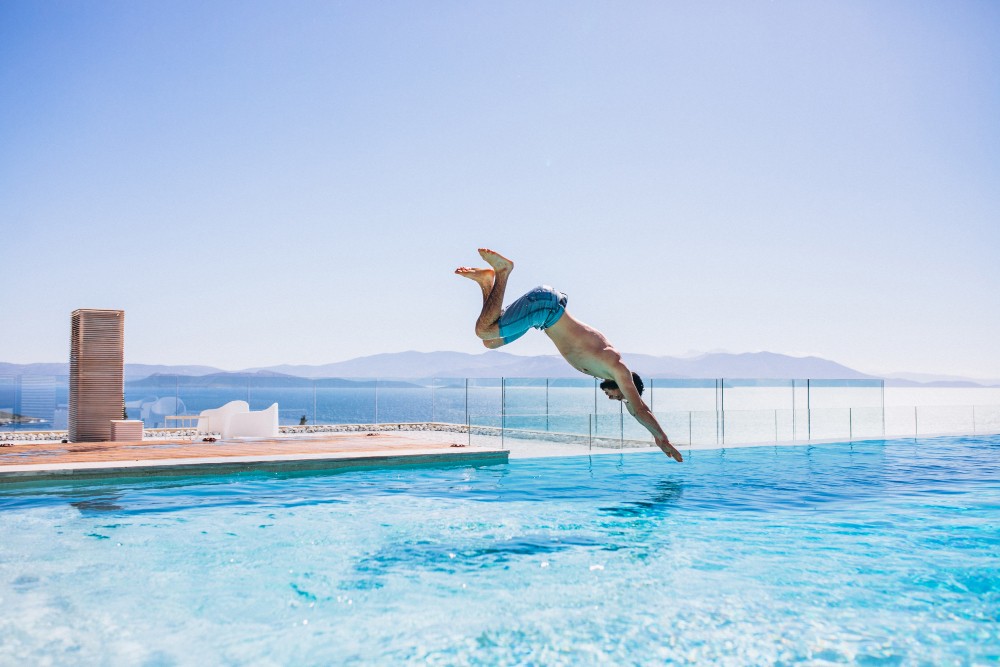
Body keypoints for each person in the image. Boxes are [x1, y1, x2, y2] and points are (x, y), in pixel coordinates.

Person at [456, 248, 683, 462]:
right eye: (620, 396)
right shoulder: (617, 365)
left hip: (542, 316)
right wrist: (662, 438)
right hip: (547, 307)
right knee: (483, 330)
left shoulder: (603, 369)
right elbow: (639, 408)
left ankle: (487, 282)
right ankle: (503, 271)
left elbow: (634, 407)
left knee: (490, 342)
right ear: (627, 385)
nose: (614, 399)